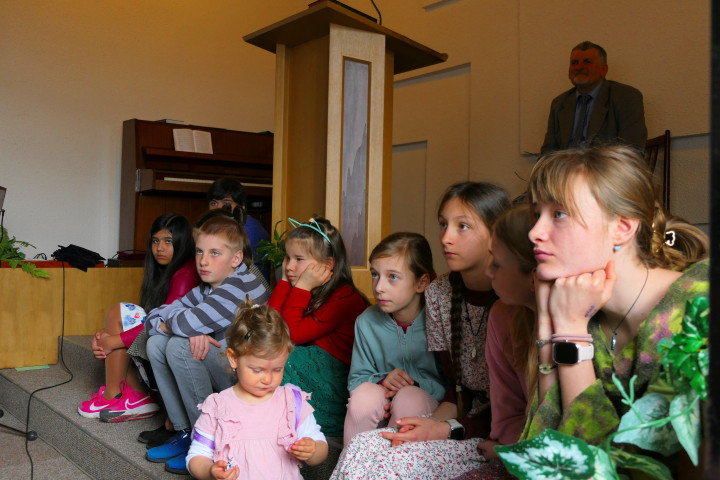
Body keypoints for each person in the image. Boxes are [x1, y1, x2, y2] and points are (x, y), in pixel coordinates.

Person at [329, 191, 544, 480]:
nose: (445, 237)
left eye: (462, 226)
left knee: (394, 453)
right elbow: (457, 391)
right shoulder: (447, 298)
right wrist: (432, 426)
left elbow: (527, 421)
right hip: (470, 425)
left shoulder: (514, 313)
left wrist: (444, 427)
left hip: (490, 437)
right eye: (443, 224)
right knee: (364, 446)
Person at [522, 145, 709, 476]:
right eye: (537, 214)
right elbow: (546, 447)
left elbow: (602, 467)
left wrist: (571, 331)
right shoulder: (581, 311)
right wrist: (549, 323)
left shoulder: (699, 308)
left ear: (622, 228)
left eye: (559, 214)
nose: (534, 232)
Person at [143, 214, 270, 475]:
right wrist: (181, 327)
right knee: (156, 342)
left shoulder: (238, 286)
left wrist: (183, 326)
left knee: (180, 346)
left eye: (214, 253)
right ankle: (185, 432)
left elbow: (184, 322)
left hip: (251, 379)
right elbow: (153, 317)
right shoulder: (209, 285)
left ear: (236, 258)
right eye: (200, 251)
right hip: (228, 365)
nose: (203, 260)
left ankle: (208, 443)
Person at [186, 298, 328, 480]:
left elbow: (319, 446)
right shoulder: (218, 406)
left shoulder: (291, 402)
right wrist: (210, 470)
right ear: (234, 358)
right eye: (257, 370)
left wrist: (313, 450)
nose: (267, 379)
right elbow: (197, 456)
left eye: (277, 369)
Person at [78, 213, 200, 421]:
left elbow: (163, 321)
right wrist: (103, 337)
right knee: (116, 317)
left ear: (182, 242)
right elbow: (151, 314)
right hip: (158, 340)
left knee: (119, 313)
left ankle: (113, 394)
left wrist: (111, 341)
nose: (159, 248)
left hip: (174, 345)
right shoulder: (163, 270)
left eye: (168, 241)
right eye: (155, 241)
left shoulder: (187, 272)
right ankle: (135, 397)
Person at [268, 216, 368, 438]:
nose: (289, 266)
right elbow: (269, 326)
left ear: (327, 265)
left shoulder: (343, 297)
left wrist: (302, 288)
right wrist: (284, 282)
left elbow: (290, 335)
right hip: (311, 362)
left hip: (334, 377)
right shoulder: (303, 287)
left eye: (299, 259)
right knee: (262, 353)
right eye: (288, 257)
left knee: (276, 359)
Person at [343, 232, 444, 445]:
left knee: (409, 398)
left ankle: (397, 462)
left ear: (421, 283)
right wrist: (383, 380)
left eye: (393, 277)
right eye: (375, 275)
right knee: (363, 397)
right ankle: (353, 462)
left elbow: (451, 388)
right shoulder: (366, 322)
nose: (379, 287)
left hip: (424, 409)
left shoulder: (439, 320)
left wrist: (412, 384)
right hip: (380, 407)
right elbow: (356, 380)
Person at [540, 41, 647, 154]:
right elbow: (548, 151)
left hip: (607, 165)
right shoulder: (559, 103)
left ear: (603, 70)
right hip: (564, 165)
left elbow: (631, 151)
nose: (579, 67)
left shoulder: (626, 97)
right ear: (569, 72)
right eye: (574, 63)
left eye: (587, 62)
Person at [207, 177, 270, 280]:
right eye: (214, 203)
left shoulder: (247, 229)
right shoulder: (226, 225)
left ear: (242, 207)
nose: (218, 208)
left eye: (226, 203)